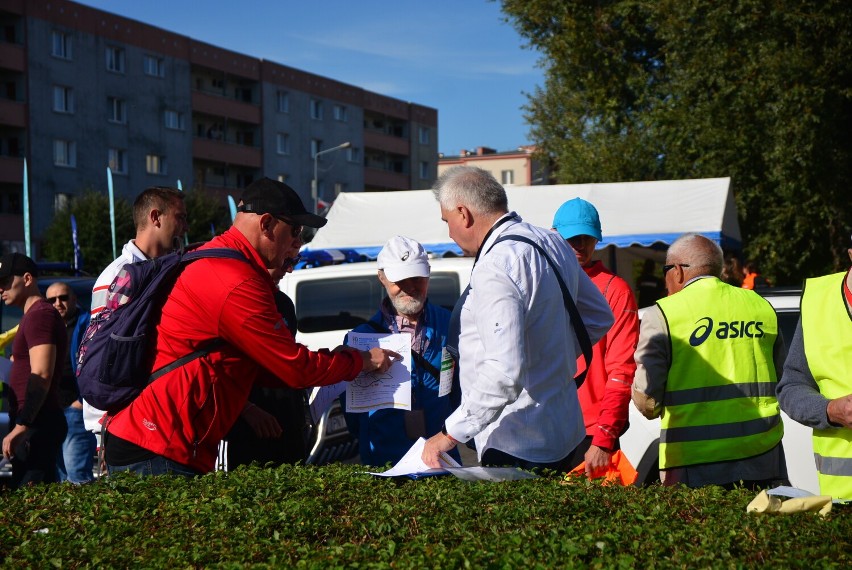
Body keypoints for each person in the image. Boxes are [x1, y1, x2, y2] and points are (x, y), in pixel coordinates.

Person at [103, 177, 398, 476]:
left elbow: (263, 368)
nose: (299, 242)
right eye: (295, 231)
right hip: (156, 445)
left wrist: (331, 363)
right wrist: (360, 360)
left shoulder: (212, 258)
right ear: (267, 224)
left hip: (153, 438)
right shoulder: (236, 280)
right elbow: (293, 368)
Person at [421, 166, 613, 470]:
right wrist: (549, 359)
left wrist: (448, 434)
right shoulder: (550, 242)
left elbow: (504, 372)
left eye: (447, 221)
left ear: (463, 214)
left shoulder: (496, 264)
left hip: (515, 439)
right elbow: (600, 316)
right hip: (562, 430)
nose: (449, 232)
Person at [632, 233, 788, 489]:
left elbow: (648, 402)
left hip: (693, 460)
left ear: (679, 271)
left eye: (666, 270)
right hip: (762, 454)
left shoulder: (663, 314)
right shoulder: (760, 306)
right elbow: (784, 380)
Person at [84, 186, 189, 437]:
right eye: (180, 217)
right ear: (155, 217)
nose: (186, 228)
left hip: (154, 414)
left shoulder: (163, 268)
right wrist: (103, 428)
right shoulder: (117, 275)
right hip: (121, 421)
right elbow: (100, 350)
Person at [344, 236, 457, 466]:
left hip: (442, 460)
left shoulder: (452, 324)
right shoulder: (360, 339)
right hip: (384, 461)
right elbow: (353, 419)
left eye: (416, 277)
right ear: (382, 277)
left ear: (428, 274)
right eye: (399, 280)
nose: (409, 287)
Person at [551, 198, 639, 477]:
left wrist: (603, 438)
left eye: (587, 237)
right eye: (572, 237)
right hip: (543, 430)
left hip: (590, 436)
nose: (580, 244)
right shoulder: (541, 282)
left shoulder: (616, 290)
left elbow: (622, 371)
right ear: (555, 236)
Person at [776, 242, 852, 500]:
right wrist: (830, 410)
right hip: (841, 500)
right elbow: (791, 387)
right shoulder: (820, 299)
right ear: (850, 253)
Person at [226, 250, 311, 469]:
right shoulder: (236, 300)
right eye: (286, 261)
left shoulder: (283, 303)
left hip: (290, 423)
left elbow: (287, 361)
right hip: (250, 432)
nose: (290, 269)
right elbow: (219, 370)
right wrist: (246, 409)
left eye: (295, 261)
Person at [0, 253, 68, 487]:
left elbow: (41, 375)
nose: (1, 289)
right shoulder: (32, 317)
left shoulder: (40, 315)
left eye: (6, 281)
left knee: (35, 509)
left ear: (27, 279)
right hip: (33, 424)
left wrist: (22, 425)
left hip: (37, 424)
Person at [46, 282, 95, 483]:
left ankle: (86, 515)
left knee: (77, 476)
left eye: (63, 297)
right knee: (59, 476)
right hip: (52, 411)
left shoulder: (87, 324)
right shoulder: (47, 327)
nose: (58, 303)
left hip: (75, 410)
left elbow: (95, 365)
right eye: (51, 300)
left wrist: (81, 401)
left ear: (75, 299)